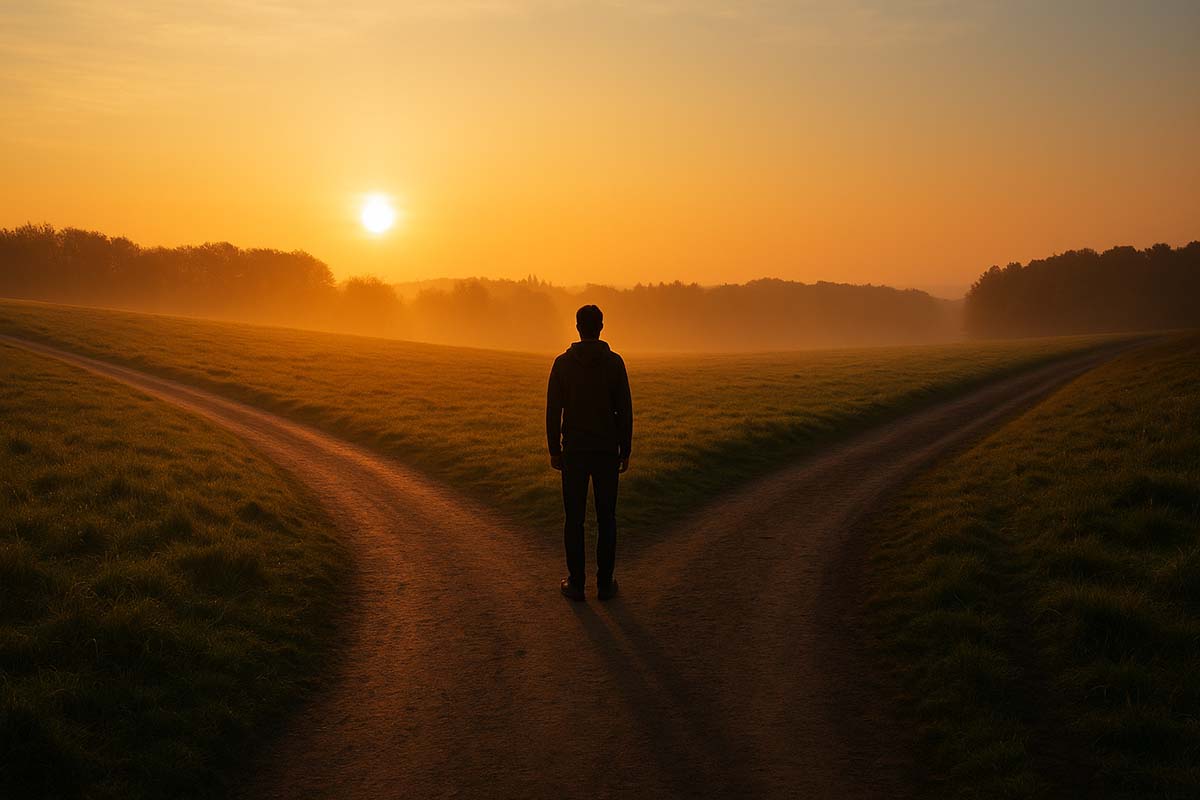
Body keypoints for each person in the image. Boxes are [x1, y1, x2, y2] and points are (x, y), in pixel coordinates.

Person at [546, 304, 633, 601]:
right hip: (607, 450)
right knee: (607, 517)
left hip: (574, 451)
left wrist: (554, 450)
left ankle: (577, 582)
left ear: (577, 327)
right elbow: (625, 410)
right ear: (601, 326)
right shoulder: (614, 363)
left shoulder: (562, 363)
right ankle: (606, 584)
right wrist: (626, 449)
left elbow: (553, 410)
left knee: (575, 519)